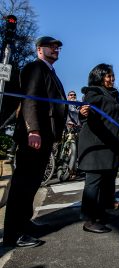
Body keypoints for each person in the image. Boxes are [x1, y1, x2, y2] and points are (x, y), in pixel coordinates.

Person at [3, 36, 67, 248]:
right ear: (40, 49)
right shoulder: (34, 68)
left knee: (31, 185)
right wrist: (34, 130)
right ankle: (14, 234)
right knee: (22, 185)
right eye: (52, 46)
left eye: (57, 47)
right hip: (34, 136)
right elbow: (29, 98)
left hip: (46, 136)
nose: (56, 49)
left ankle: (24, 224)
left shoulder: (50, 72)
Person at [78, 64, 119, 233]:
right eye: (108, 76)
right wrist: (83, 113)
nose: (112, 79)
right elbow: (87, 112)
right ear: (99, 77)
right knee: (93, 183)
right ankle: (89, 220)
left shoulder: (114, 94)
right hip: (96, 145)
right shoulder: (93, 92)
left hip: (111, 145)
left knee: (107, 182)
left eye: (112, 76)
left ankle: (100, 213)